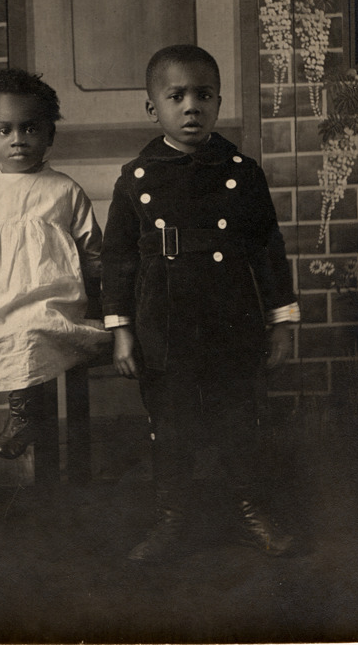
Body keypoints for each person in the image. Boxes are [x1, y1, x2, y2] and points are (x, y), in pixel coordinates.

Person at [101, 45, 300, 563]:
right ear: (153, 108)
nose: (191, 106)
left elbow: (268, 250)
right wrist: (121, 330)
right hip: (163, 325)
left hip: (232, 319)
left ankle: (250, 511)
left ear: (218, 103)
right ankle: (172, 519)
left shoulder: (243, 173)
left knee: (240, 420)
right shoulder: (135, 178)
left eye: (204, 95)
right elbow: (118, 258)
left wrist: (281, 323)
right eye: (177, 96)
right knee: (170, 425)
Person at [0, 68, 110, 479]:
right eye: (5, 130)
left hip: (47, 298)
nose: (17, 139)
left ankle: (24, 419)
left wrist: (100, 297)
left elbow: (92, 249)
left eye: (30, 128)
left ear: (50, 135)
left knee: (30, 332)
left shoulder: (63, 190)